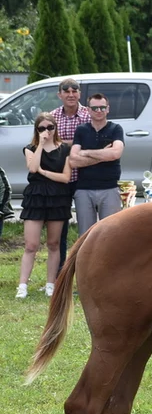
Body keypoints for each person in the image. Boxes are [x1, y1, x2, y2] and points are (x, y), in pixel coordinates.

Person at [15, 112, 72, 299]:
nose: (46, 131)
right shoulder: (30, 148)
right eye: (42, 128)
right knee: (31, 245)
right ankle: (22, 285)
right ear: (36, 130)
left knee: (53, 243)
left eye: (50, 127)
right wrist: (40, 144)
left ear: (55, 128)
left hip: (57, 197)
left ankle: (51, 284)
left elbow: (65, 177)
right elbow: (32, 169)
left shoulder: (64, 149)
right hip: (36, 196)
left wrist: (44, 172)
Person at [70, 93, 124, 235]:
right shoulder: (81, 130)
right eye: (95, 108)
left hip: (110, 188)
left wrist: (86, 152)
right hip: (84, 189)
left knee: (111, 234)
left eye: (102, 108)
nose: (99, 111)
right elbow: (73, 160)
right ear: (88, 110)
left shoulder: (116, 129)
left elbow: (115, 154)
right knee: (85, 235)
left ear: (108, 109)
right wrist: (102, 155)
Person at [51, 78, 90, 268]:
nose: (71, 94)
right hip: (61, 180)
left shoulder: (89, 115)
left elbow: (95, 145)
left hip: (86, 179)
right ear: (60, 95)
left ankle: (87, 270)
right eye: (66, 91)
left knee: (88, 229)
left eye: (75, 90)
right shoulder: (51, 117)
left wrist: (64, 143)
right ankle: (60, 273)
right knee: (60, 230)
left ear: (80, 94)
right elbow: (48, 145)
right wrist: (76, 145)